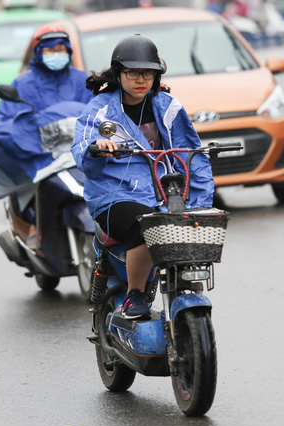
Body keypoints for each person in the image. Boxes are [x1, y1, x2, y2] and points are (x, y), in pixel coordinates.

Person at [71, 35, 214, 319]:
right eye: (133, 72)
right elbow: (82, 143)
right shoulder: (101, 109)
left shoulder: (168, 106)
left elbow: (190, 153)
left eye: (148, 72)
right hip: (114, 196)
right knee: (146, 226)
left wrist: (201, 202)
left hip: (163, 194)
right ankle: (134, 295)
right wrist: (96, 147)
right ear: (118, 73)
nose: (141, 79)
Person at [0, 24, 92, 248]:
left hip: (79, 153)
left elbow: (97, 112)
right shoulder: (23, 84)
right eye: (50, 50)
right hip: (40, 154)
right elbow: (8, 119)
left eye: (60, 49)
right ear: (39, 52)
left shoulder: (81, 80)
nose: (56, 54)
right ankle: (34, 230)